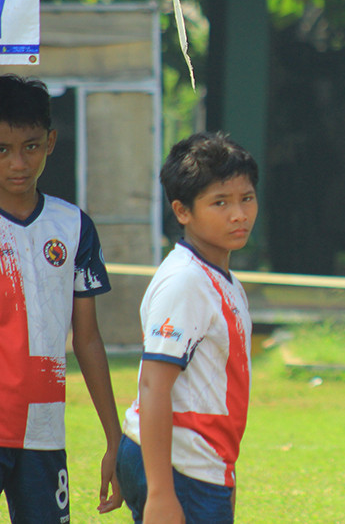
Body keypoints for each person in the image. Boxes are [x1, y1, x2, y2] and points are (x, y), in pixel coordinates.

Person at [116, 132, 259, 524]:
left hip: (200, 464)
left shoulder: (222, 279)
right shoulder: (185, 280)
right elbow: (153, 386)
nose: (239, 214)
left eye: (246, 198)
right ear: (182, 211)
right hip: (178, 466)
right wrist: (161, 493)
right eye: (220, 202)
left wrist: (225, 475)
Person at [0, 74, 122, 523]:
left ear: (51, 141)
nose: (18, 163)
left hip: (43, 433)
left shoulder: (73, 227)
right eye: (2, 150)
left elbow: (87, 338)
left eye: (30, 146)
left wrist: (115, 439)